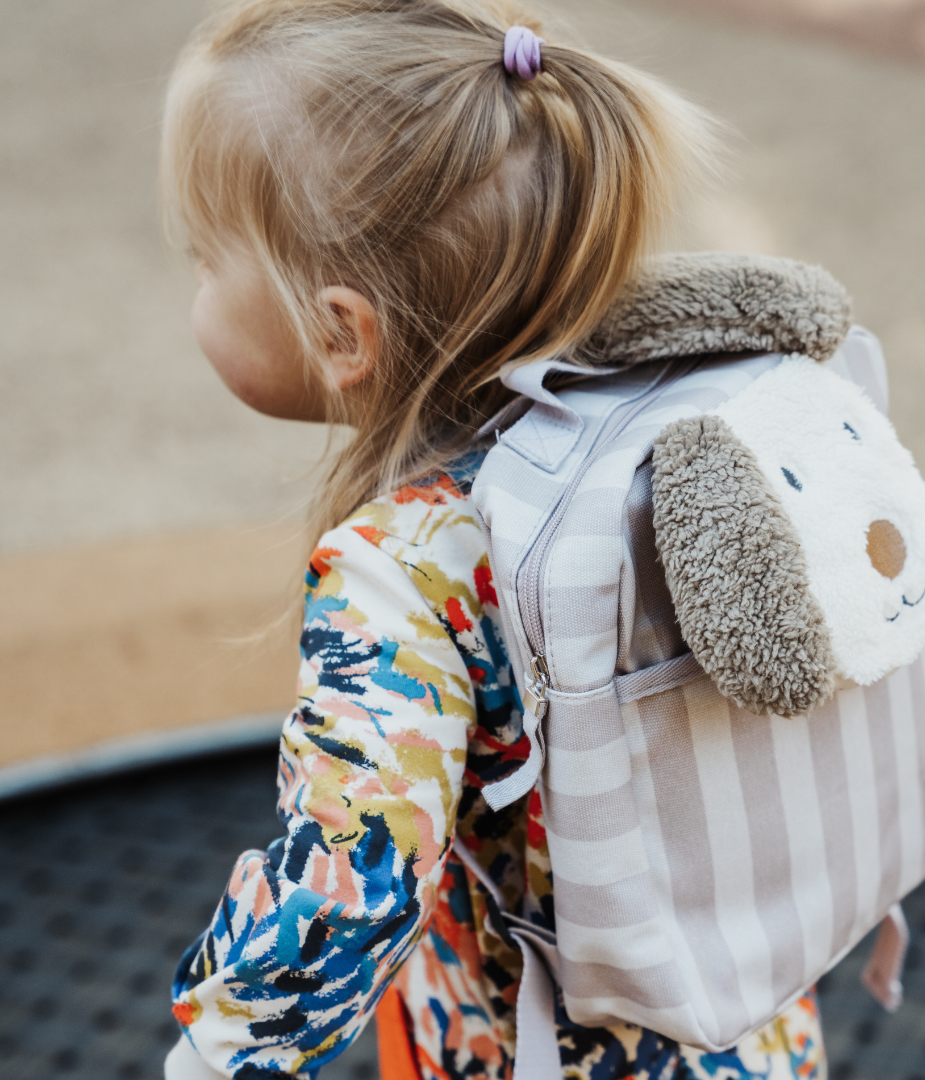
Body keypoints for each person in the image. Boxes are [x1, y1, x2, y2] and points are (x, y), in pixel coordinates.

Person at [161, 1, 825, 1076]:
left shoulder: (407, 566)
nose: (193, 285)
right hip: (748, 1020)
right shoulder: (668, 438)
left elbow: (355, 882)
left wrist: (219, 1050)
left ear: (340, 334)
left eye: (203, 259)